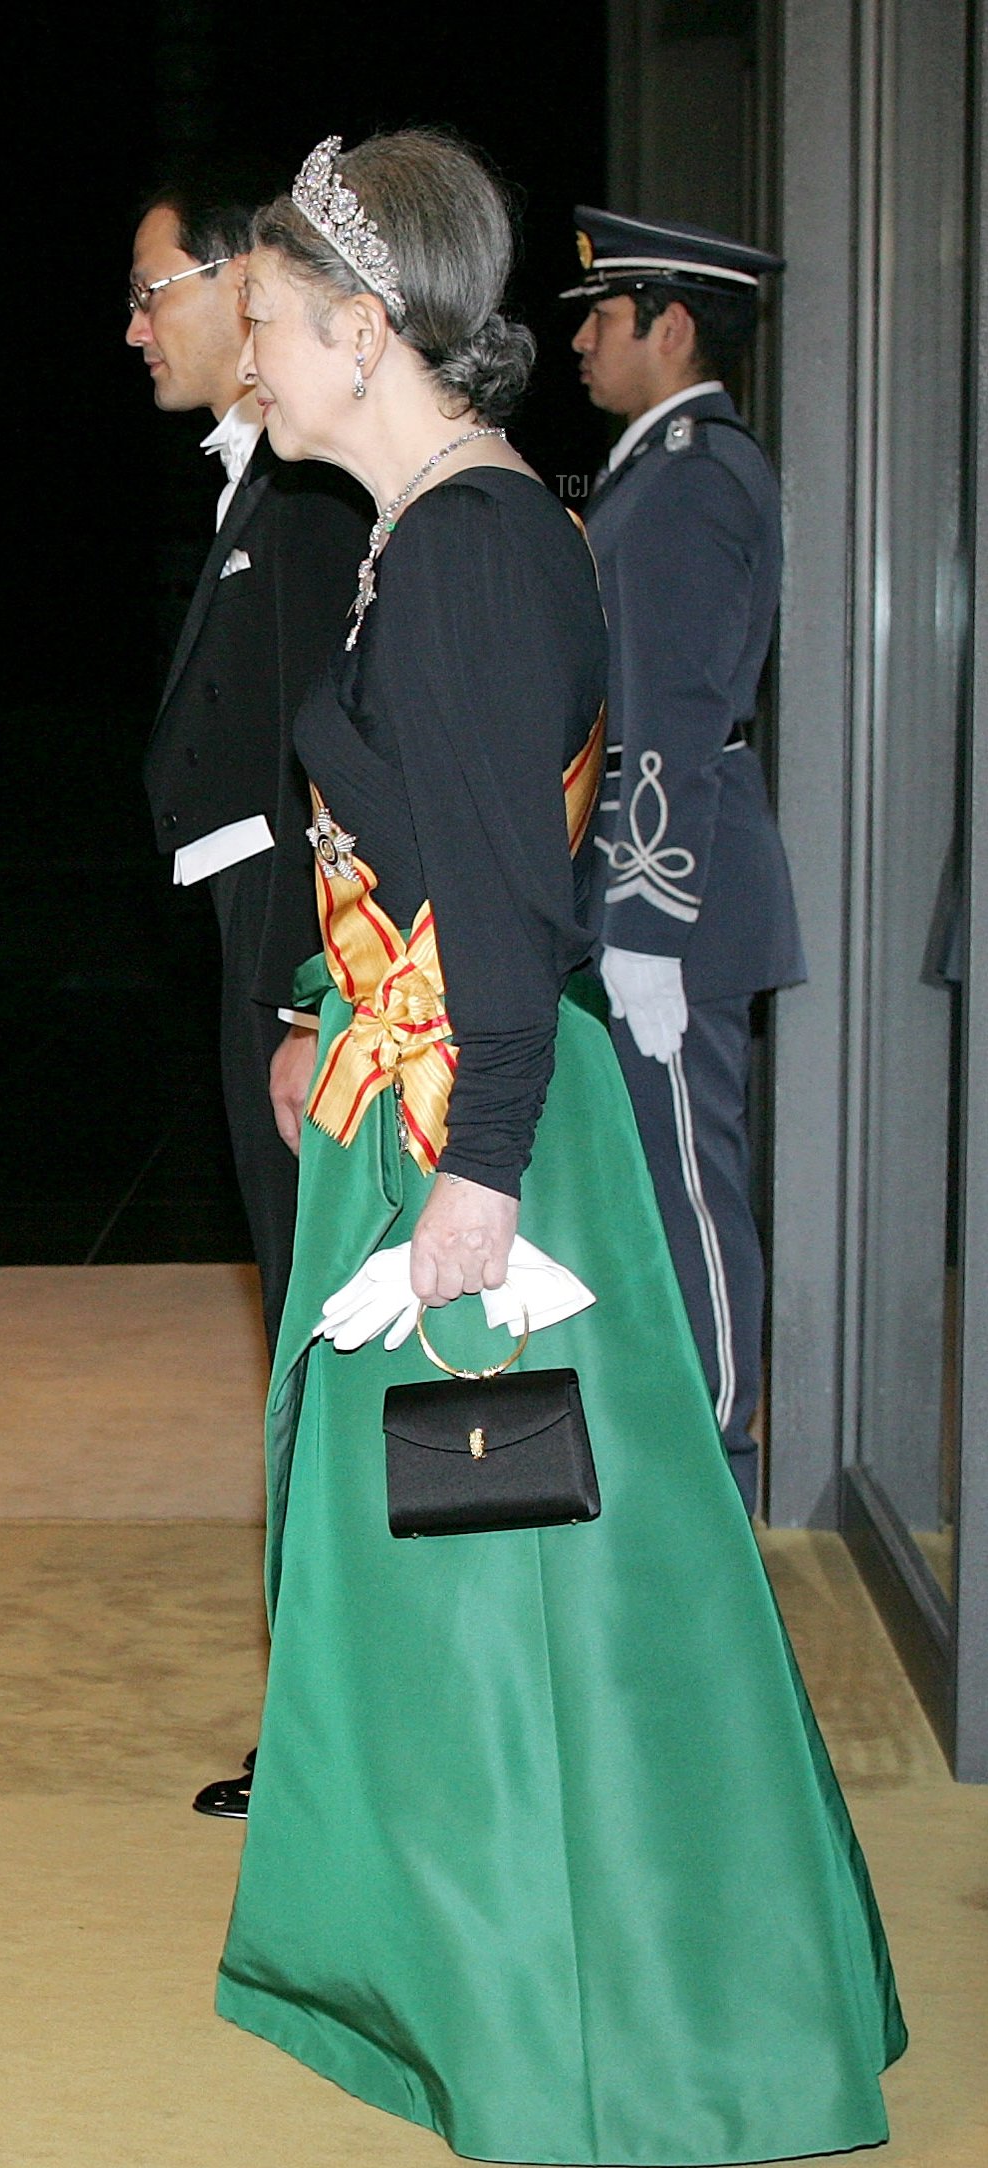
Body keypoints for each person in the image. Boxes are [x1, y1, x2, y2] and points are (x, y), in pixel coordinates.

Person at [216, 129, 905, 2167]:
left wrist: (475, 1166)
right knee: (496, 1581)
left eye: (263, 323)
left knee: (532, 1584)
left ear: (364, 327)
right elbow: (443, 854)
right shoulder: (445, 523)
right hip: (428, 1085)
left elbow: (515, 898)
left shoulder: (466, 547)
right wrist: (330, 1029)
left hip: (480, 1125)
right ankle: (496, 1976)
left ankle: (606, 2023)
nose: (248, 359)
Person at [127, 177, 371, 1817]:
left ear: (243, 287)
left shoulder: (295, 509)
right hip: (253, 948)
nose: (136, 324)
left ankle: (334, 1743)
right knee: (299, 1331)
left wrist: (296, 1004)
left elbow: (323, 768)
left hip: (285, 962)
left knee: (315, 1336)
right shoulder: (258, 496)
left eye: (156, 289)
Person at [565, 209, 805, 1513]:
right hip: (651, 885)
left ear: (673, 325)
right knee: (658, 1182)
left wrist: (645, 921)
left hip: (679, 894)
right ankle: (678, 1442)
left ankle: (717, 1457)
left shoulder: (696, 473)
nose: (585, 340)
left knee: (692, 1189)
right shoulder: (654, 467)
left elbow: (676, 706)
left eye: (605, 317)